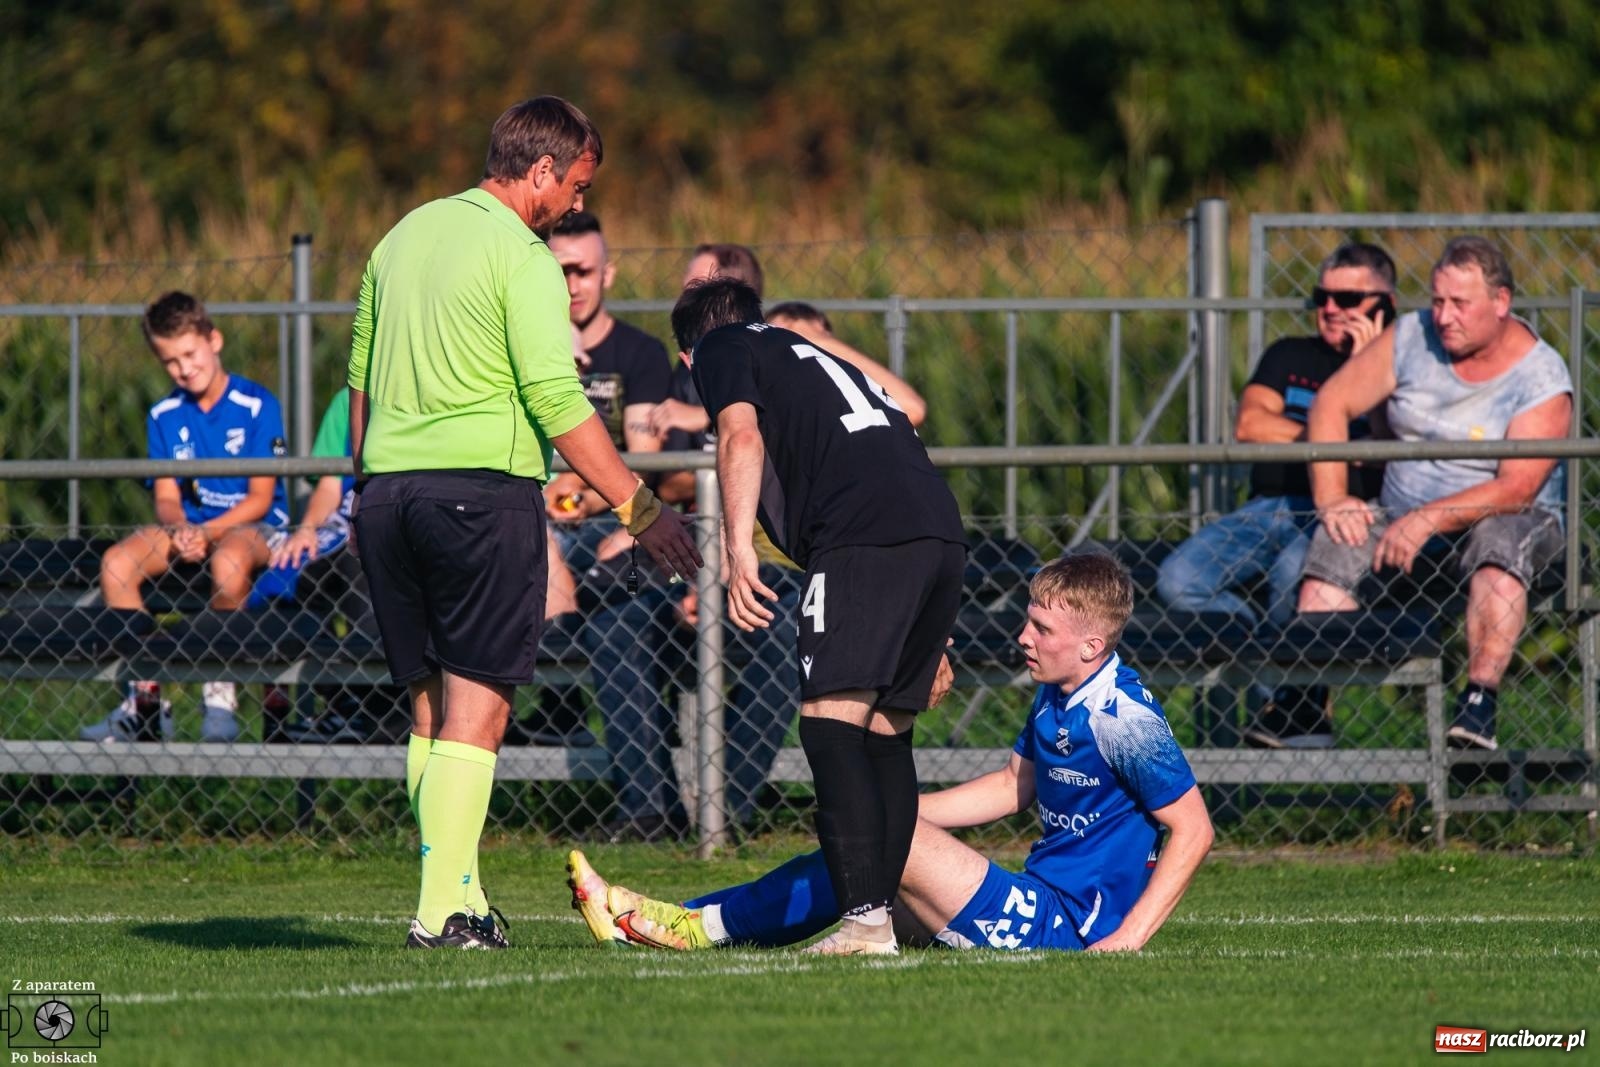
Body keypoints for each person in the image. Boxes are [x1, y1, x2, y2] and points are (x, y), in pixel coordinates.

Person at [346, 96, 701, 951]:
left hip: (387, 496)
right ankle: (439, 915)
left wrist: (372, 483)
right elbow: (556, 400)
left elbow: (357, 380)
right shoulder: (522, 255)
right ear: (541, 170)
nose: (577, 204)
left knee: (430, 711)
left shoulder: (400, 237)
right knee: (478, 711)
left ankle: (459, 897)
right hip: (479, 495)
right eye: (576, 185)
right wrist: (639, 506)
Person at [568, 552, 1214, 954]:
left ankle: (686, 924)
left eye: (1041, 628)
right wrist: (899, 809)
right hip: (1032, 900)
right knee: (865, 847)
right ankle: (680, 919)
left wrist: (1125, 941)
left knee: (876, 839)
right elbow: (1014, 783)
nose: (1022, 636)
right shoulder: (1062, 691)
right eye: (1027, 619)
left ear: (1091, 645)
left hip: (1062, 929)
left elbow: (1194, 828)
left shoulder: (1123, 718)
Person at [671, 276, 967, 955]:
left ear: (691, 356)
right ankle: (883, 919)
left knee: (831, 730)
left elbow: (739, 438)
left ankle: (866, 924)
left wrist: (736, 548)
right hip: (938, 529)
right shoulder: (809, 353)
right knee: (885, 737)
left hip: (865, 536)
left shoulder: (720, 347)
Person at [1299, 236, 1573, 752]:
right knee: (1337, 539)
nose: (1444, 317)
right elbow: (1331, 404)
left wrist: (1426, 519)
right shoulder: (1409, 337)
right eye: (1438, 301)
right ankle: (1307, 705)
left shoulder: (1540, 375)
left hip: (1508, 516)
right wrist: (1334, 497)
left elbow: (1516, 486)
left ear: (1501, 302)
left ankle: (1478, 703)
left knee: (1500, 546)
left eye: (1460, 304)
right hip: (1401, 516)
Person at [1154, 242, 1395, 749]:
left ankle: (1294, 707)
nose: (1330, 309)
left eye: (1347, 299)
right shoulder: (1290, 354)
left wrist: (1371, 363)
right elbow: (1250, 423)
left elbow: (1391, 447)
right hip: (1270, 506)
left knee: (1293, 572)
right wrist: (1332, 438)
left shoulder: (1397, 364)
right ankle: (1274, 675)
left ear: (1383, 304)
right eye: (1321, 297)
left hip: (1345, 514)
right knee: (1179, 580)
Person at [82, 291, 289, 744]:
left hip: (251, 530)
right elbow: (167, 497)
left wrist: (207, 532)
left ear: (214, 340)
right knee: (117, 562)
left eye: (190, 353)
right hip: (190, 530)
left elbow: (260, 498)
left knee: (229, 562)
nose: (184, 368)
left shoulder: (258, 404)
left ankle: (220, 697)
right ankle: (147, 703)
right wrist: (180, 529)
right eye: (170, 361)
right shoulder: (164, 414)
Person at [514, 209, 675, 748]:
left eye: (583, 271)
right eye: (560, 272)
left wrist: (584, 493)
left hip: (610, 516)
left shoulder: (640, 354)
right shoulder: (525, 347)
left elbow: (644, 454)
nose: (572, 285)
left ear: (607, 274)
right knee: (528, 537)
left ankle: (565, 702)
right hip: (534, 513)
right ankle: (561, 702)